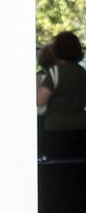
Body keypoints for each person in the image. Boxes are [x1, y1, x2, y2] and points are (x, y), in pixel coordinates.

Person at [37, 31, 86, 160]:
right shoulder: (82, 72)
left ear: (57, 50)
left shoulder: (54, 72)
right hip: (81, 127)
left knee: (57, 169)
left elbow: (40, 101)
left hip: (56, 129)